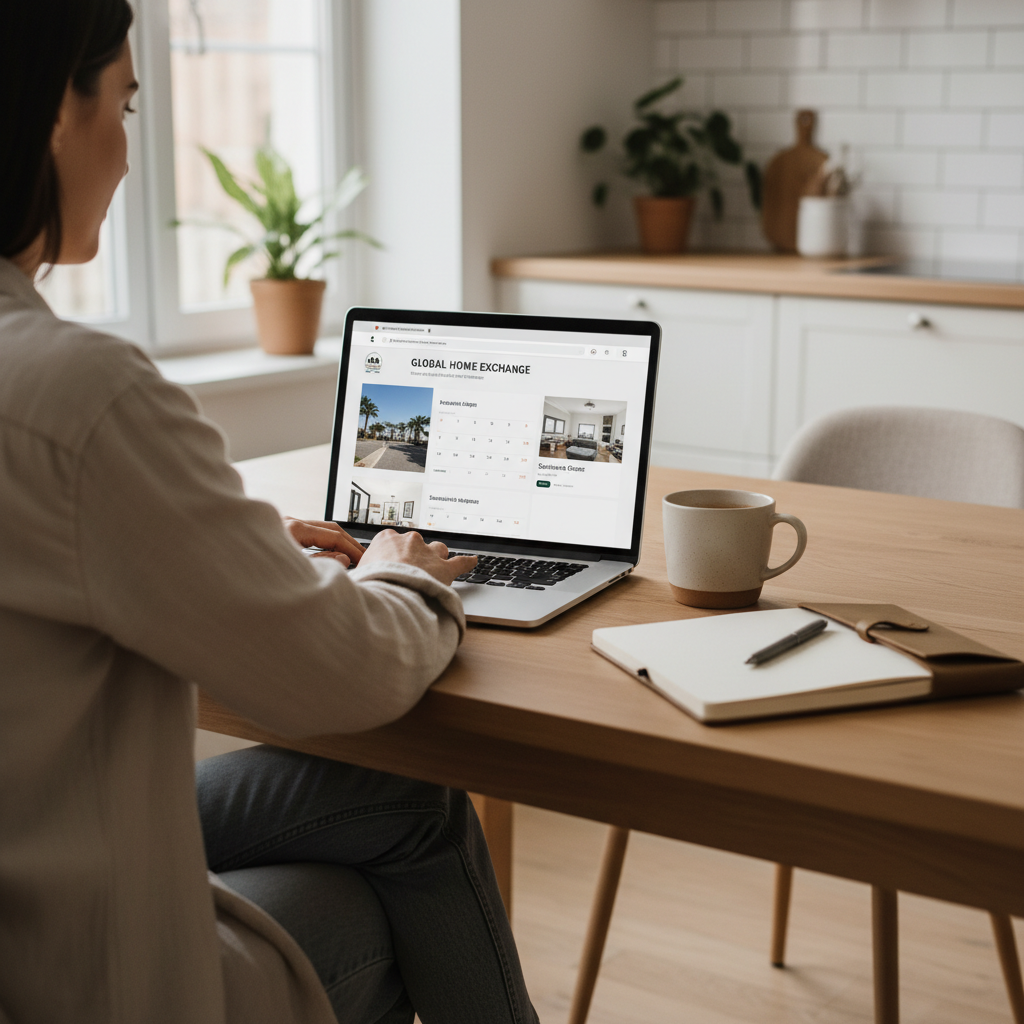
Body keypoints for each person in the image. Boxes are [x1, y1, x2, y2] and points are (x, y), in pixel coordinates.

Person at [0, 2, 539, 1022]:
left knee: (404, 800)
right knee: (365, 898)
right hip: (66, 962)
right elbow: (341, 674)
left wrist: (229, 546)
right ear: (52, 117)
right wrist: (406, 578)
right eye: (124, 102)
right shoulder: (79, 390)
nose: (124, 155)